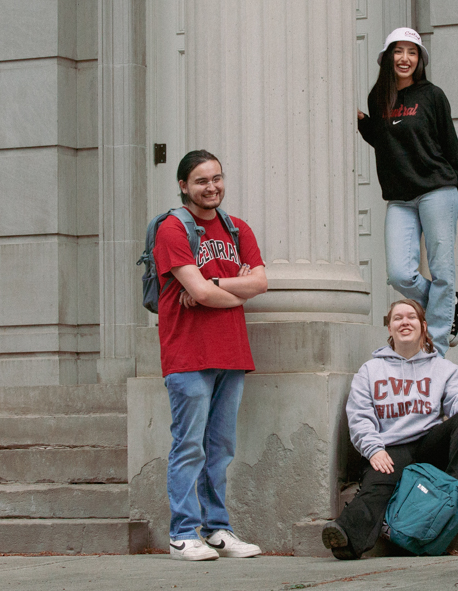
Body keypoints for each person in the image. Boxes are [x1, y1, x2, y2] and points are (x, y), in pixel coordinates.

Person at [154, 150, 268, 561]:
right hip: (188, 355)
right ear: (184, 185)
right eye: (202, 180)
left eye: (217, 178)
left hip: (231, 353)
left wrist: (214, 281)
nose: (212, 186)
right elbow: (197, 293)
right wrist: (227, 288)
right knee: (189, 446)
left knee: (219, 448)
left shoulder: (238, 229)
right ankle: (183, 533)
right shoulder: (172, 229)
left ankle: (217, 529)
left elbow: (259, 283)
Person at [321, 299, 458, 560]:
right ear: (390, 328)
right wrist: (373, 449)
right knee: (378, 484)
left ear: (423, 327)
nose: (404, 322)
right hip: (390, 449)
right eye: (397, 318)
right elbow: (359, 416)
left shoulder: (442, 368)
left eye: (411, 317)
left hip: (429, 445)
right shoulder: (371, 370)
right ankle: (345, 538)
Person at [357, 27, 458, 357]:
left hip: (438, 189)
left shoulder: (432, 95)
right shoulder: (378, 98)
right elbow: (386, 140)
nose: (405, 58)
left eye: (412, 52)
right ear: (388, 56)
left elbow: (452, 147)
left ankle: (434, 351)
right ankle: (449, 302)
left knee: (442, 271)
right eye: (398, 51)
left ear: (419, 59)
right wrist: (360, 122)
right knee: (399, 274)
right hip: (401, 197)